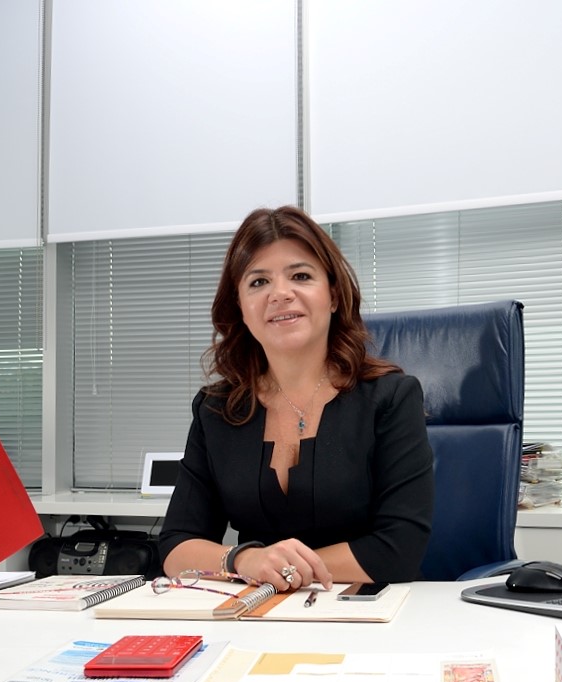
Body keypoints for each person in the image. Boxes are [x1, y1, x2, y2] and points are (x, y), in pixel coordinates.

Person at [158, 205, 435, 591]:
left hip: (367, 611)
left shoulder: (390, 398)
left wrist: (280, 570)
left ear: (333, 296)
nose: (280, 294)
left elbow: (397, 550)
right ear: (240, 308)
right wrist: (246, 560)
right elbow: (176, 545)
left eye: (301, 276)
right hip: (256, 610)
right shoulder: (217, 409)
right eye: (258, 282)